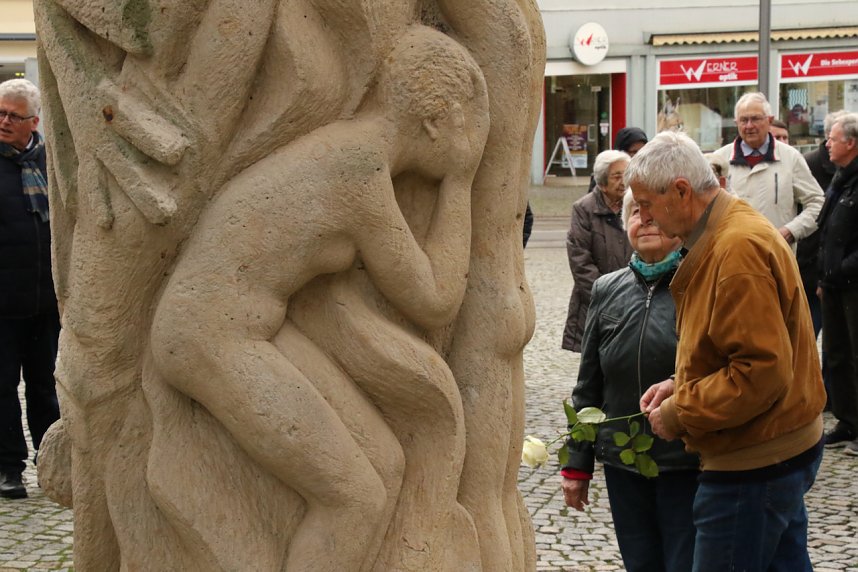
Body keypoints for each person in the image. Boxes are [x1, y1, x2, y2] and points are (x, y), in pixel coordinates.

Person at [148, 28, 490, 572]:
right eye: (468, 126)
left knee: (384, 460)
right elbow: (434, 299)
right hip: (207, 334)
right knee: (354, 498)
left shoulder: (356, 152)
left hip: (245, 328)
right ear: (434, 121)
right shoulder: (357, 168)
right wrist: (459, 182)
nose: (473, 140)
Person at [630, 130, 825, 571]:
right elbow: (739, 347)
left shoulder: (735, 249)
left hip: (754, 460)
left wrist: (681, 411)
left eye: (645, 204)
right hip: (773, 447)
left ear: (681, 192)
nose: (644, 217)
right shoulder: (723, 234)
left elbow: (760, 373)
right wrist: (683, 382)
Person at [561, 191, 699, 572]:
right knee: (640, 564)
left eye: (656, 211)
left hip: (685, 461)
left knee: (683, 563)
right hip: (624, 463)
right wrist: (577, 465)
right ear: (626, 226)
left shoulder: (698, 282)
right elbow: (588, 382)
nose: (646, 220)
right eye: (637, 212)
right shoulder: (608, 288)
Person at [0, 79, 61, 500]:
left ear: (34, 122)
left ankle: (51, 463)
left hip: (46, 300)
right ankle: (8, 469)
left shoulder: (51, 164)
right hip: (1, 302)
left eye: (13, 116)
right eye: (0, 113)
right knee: (2, 387)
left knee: (45, 385)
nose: (4, 121)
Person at [713, 92, 824, 247]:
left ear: (770, 120)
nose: (749, 125)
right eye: (744, 120)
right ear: (736, 122)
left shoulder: (790, 157)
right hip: (731, 256)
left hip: (777, 257)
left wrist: (791, 231)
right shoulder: (719, 159)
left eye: (756, 119)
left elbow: (817, 202)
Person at [562, 150, 634, 352]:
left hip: (632, 303)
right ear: (602, 183)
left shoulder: (635, 205)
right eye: (617, 176)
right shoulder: (584, 209)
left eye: (626, 174)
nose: (624, 181)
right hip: (595, 304)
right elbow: (580, 261)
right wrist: (608, 296)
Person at [816, 112, 858, 452]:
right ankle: (847, 422)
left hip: (853, 283)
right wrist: (824, 276)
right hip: (832, 284)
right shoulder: (840, 177)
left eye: (832, 138)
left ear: (851, 142)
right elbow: (827, 228)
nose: (827, 143)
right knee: (837, 353)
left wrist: (842, 269)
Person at [801, 110, 847, 338]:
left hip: (840, 273)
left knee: (838, 345)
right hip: (811, 270)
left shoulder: (848, 172)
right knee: (807, 338)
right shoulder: (808, 164)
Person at [588, 127, 648, 192]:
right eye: (634, 152)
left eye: (642, 151)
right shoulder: (604, 174)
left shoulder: (649, 174)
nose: (639, 155)